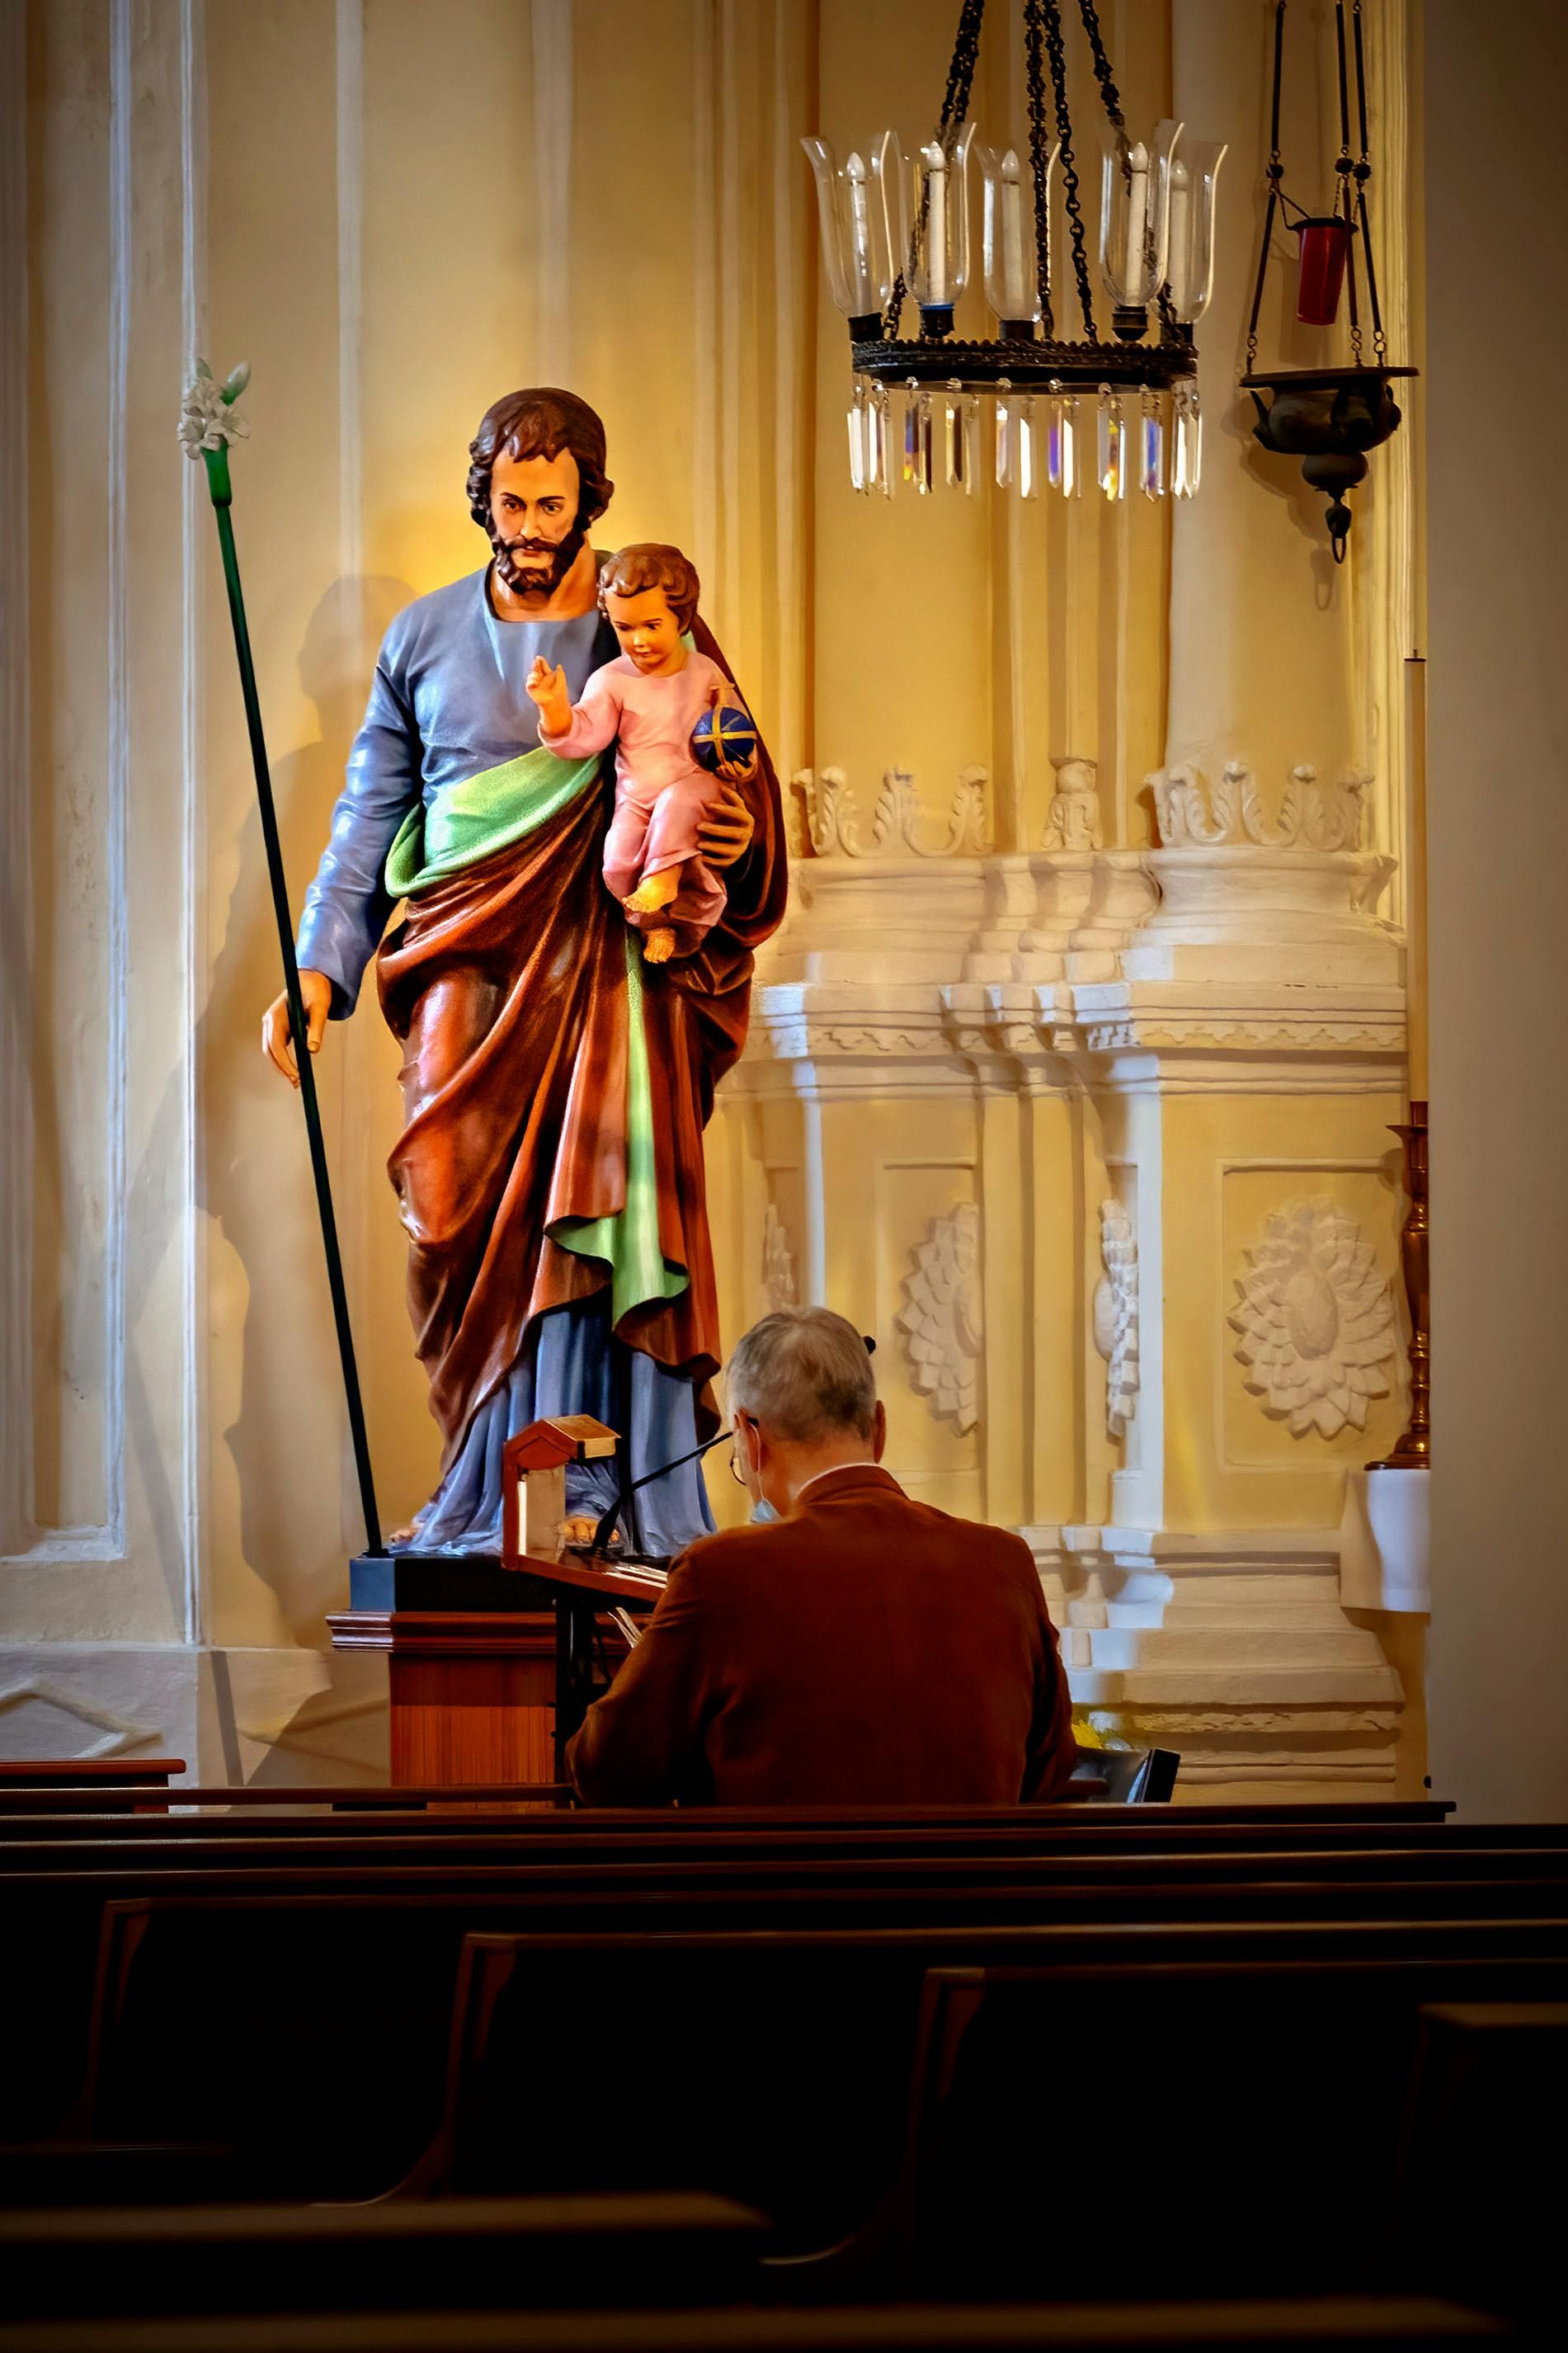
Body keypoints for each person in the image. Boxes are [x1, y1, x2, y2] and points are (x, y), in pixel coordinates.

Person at [259, 389, 786, 1554]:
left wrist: (739, 846)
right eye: (512, 500)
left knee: (605, 1207)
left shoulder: (645, 624)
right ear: (483, 499)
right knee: (452, 1211)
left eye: (554, 501)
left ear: (589, 498)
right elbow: (367, 816)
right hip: (462, 957)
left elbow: (733, 771)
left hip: (608, 967)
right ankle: (483, 1488)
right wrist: (317, 972)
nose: (533, 523)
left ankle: (610, 1498)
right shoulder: (422, 635)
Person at [566, 1308, 1078, 1807]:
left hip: (796, 1892)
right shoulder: (1002, 1561)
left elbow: (607, 1772)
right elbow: (1052, 1769)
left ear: (748, 1435)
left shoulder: (721, 1573)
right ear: (879, 1425)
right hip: (984, 1891)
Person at [527, 542, 745, 966]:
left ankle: (664, 882)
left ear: (681, 619)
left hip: (697, 789)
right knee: (617, 864)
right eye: (625, 629)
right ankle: (657, 924)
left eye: (651, 625)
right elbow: (584, 736)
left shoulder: (705, 673)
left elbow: (735, 733)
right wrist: (553, 708)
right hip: (637, 798)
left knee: (676, 804)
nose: (638, 641)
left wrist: (742, 761)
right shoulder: (612, 680)